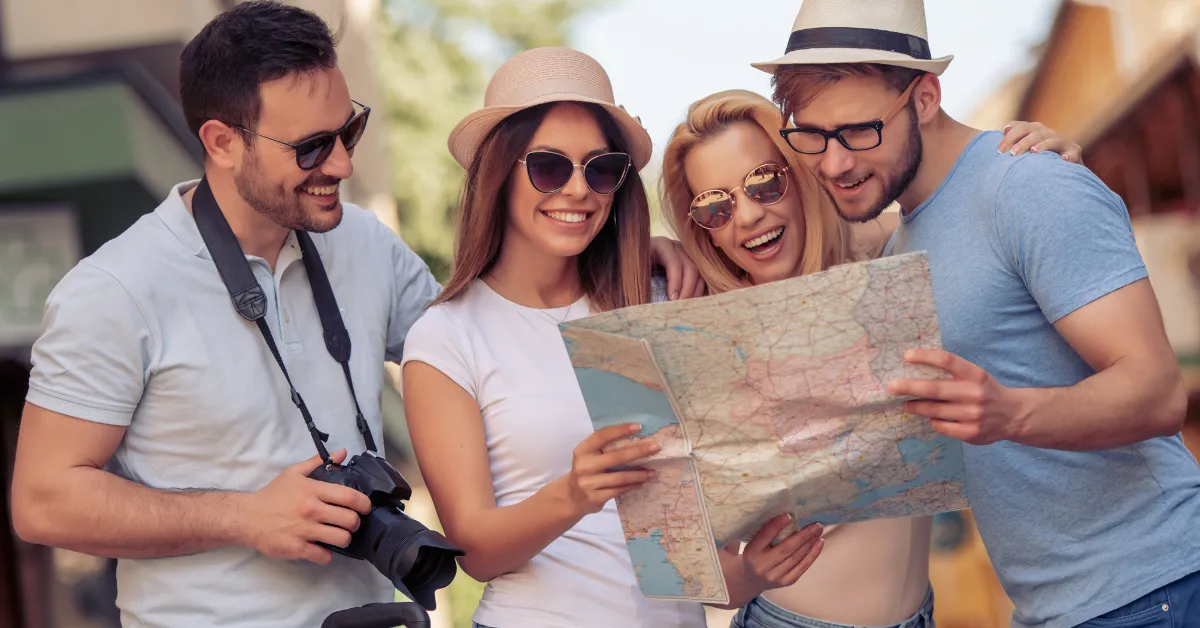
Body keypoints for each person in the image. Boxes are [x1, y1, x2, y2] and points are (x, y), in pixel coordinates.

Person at [7, 4, 702, 627]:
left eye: (350, 130)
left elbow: (496, 342)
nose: (341, 162)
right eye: (310, 146)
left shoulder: (362, 241)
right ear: (221, 142)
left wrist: (626, 247)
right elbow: (43, 501)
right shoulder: (114, 290)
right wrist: (242, 516)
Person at [753, 0, 1200, 627]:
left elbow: (1157, 394)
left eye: (858, 131)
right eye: (813, 136)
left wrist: (1010, 412)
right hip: (1053, 607)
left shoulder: (1029, 185)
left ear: (927, 97)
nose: (835, 162)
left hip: (1153, 587)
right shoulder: (900, 237)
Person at [399, 46, 826, 628]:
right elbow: (474, 552)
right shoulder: (447, 337)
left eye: (600, 168)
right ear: (499, 174)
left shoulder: (657, 300)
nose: (579, 190)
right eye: (549, 166)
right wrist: (574, 492)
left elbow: (692, 551)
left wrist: (751, 574)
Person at [659, 90, 1082, 628]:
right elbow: (675, 553)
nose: (747, 215)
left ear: (803, 174)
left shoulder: (883, 264)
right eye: (714, 207)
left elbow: (960, 203)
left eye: (765, 181)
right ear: (703, 230)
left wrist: (1045, 162)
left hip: (921, 616)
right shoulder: (702, 336)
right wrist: (744, 578)